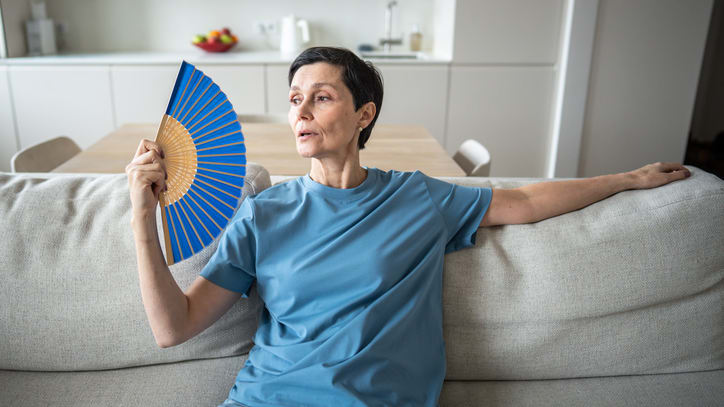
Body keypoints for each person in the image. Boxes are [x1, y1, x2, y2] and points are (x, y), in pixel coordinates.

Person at [125, 47, 691, 407]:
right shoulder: (263, 213)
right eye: (295, 99)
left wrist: (626, 178)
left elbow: (522, 201)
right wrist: (142, 216)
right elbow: (173, 328)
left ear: (364, 114)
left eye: (321, 97)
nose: (301, 111)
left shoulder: (418, 197)